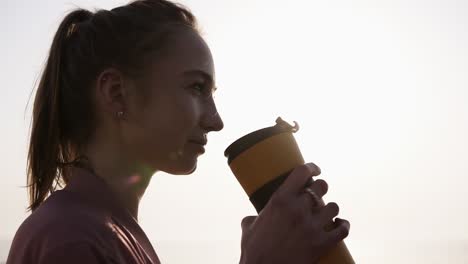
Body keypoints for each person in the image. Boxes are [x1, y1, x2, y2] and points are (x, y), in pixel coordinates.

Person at [7, 0, 350, 263]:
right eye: (196, 88)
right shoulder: (71, 238)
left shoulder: (107, 230)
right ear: (115, 92)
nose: (216, 121)